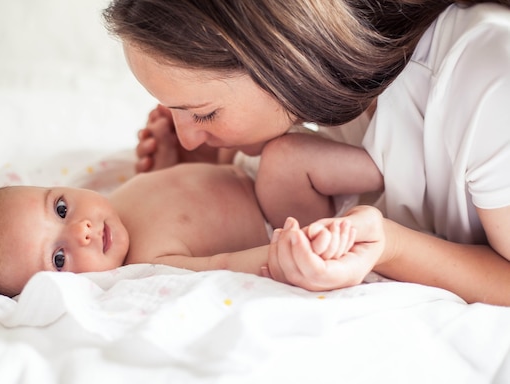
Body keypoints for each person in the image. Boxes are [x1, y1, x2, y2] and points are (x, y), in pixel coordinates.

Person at [103, 1, 510, 305]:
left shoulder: (488, 87)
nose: (187, 138)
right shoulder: (340, 76)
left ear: (284, 60)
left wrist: (390, 247)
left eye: (204, 113)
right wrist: (217, 167)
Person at [0, 117, 382, 298]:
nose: (81, 228)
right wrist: (289, 253)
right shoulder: (146, 265)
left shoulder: (115, 199)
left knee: (250, 132)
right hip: (282, 216)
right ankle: (395, 172)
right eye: (59, 257)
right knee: (285, 158)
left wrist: (175, 162)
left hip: (242, 175)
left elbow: (188, 199)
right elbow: (225, 261)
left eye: (61, 209)